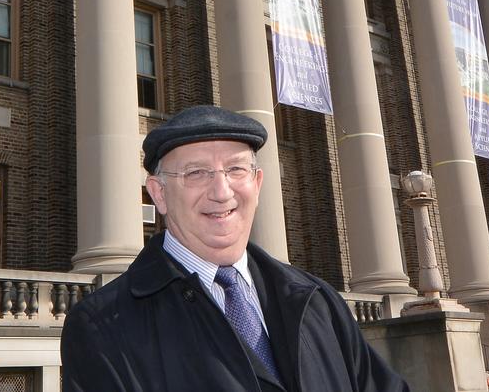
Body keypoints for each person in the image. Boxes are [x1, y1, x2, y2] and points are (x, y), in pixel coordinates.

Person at [60, 105, 410, 391]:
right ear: (159, 193)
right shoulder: (101, 326)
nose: (222, 191)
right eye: (196, 173)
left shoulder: (318, 300)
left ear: (256, 184)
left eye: (236, 169)